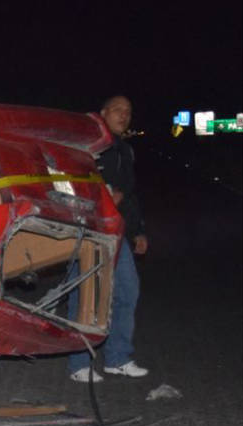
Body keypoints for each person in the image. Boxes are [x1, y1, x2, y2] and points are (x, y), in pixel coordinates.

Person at [70, 95, 150, 383]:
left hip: (116, 230)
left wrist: (138, 230)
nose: (124, 115)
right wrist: (100, 193)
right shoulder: (87, 142)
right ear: (102, 113)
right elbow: (69, 177)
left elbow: (128, 195)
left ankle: (118, 358)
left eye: (128, 111)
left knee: (127, 290)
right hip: (85, 227)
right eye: (117, 109)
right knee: (84, 294)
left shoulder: (125, 150)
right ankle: (79, 363)